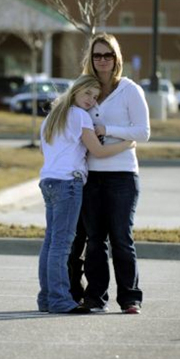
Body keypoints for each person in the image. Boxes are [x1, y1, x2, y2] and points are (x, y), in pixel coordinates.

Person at [36, 74, 135, 314]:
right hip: (68, 184)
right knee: (61, 245)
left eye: (95, 97)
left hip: (48, 181)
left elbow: (45, 150)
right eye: (87, 93)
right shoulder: (80, 115)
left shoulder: (52, 117)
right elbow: (98, 151)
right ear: (76, 90)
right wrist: (128, 143)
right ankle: (60, 300)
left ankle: (46, 298)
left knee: (50, 242)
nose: (91, 100)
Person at [80, 33, 150, 314]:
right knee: (95, 241)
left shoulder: (130, 90)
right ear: (91, 59)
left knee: (121, 238)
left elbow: (143, 132)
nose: (102, 60)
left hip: (122, 175)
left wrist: (107, 130)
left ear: (116, 58)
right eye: (97, 55)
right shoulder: (85, 89)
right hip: (90, 175)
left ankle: (130, 298)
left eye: (107, 55)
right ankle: (95, 298)